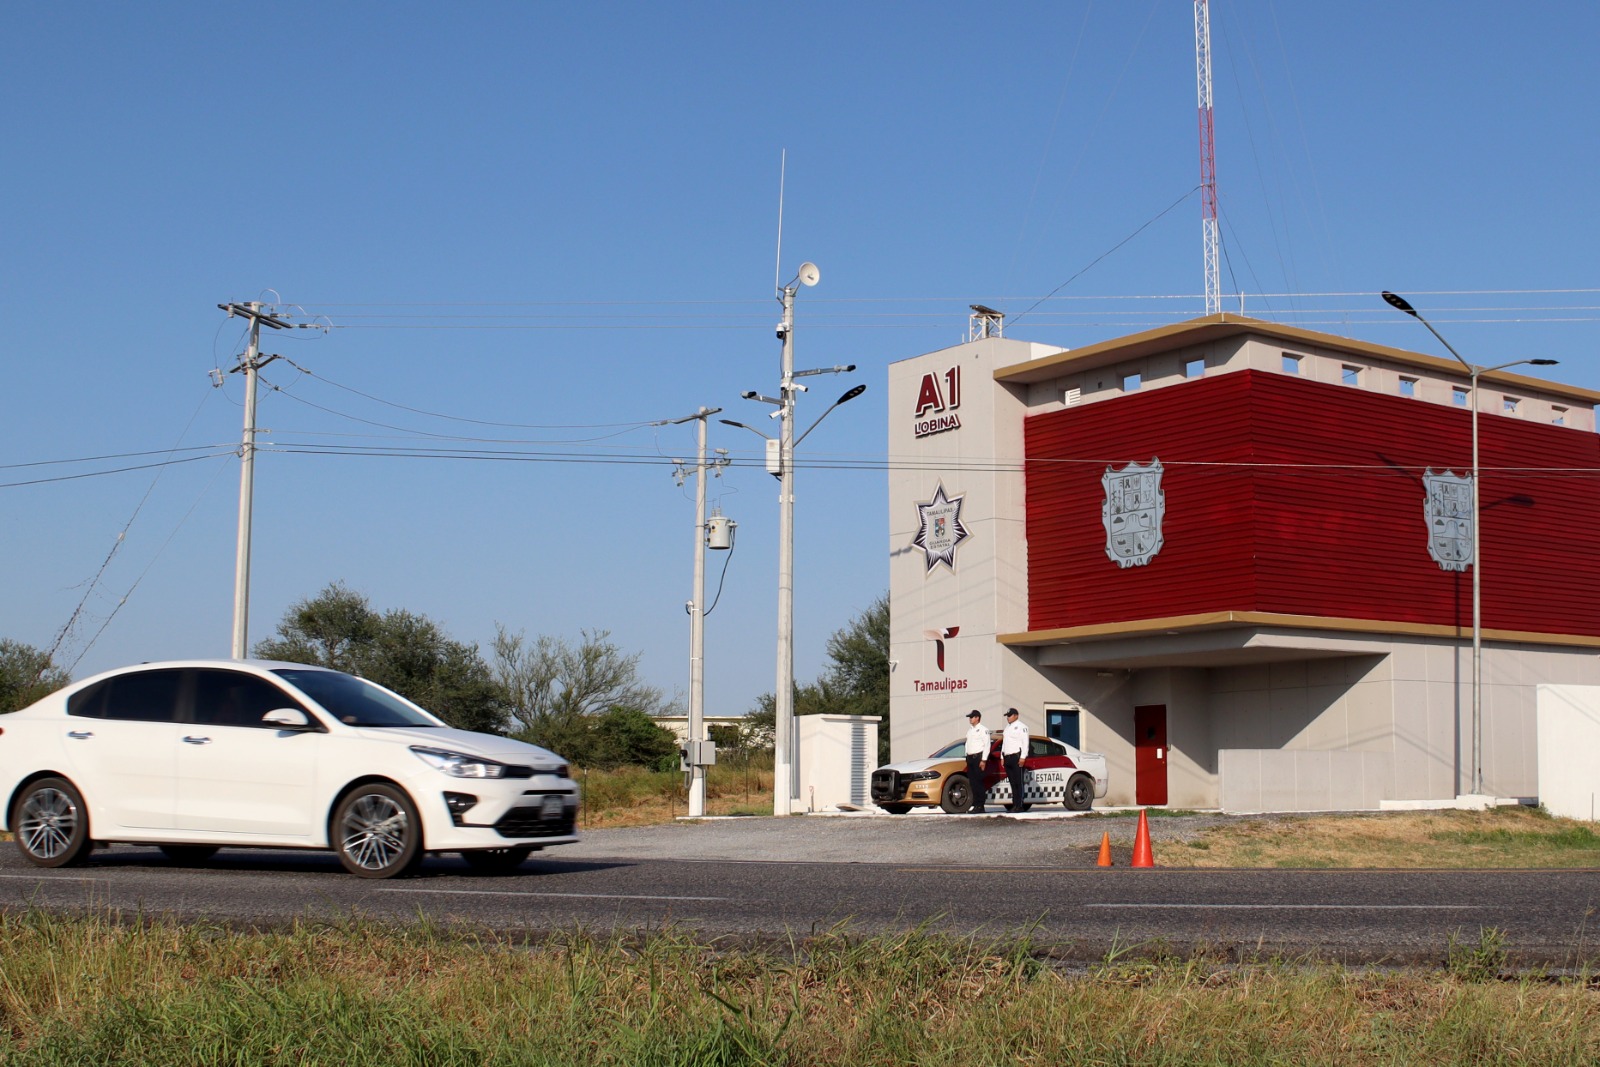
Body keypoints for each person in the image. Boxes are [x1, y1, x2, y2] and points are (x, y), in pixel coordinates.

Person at [1001, 707, 1029, 812]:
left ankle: (1020, 805)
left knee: (1018, 782)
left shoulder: (1022, 727)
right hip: (1007, 757)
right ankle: (1015, 804)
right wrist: (1002, 756)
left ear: (1016, 716)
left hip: (1016, 757)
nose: (1008, 718)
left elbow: (1025, 743)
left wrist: (1023, 757)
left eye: (1010, 715)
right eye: (1007, 716)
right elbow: (1004, 743)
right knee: (1012, 782)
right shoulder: (1007, 728)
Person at [962, 710, 989, 813]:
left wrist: (984, 760)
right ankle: (976, 804)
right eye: (970, 717)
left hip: (978, 758)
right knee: (973, 783)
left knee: (978, 782)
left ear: (977, 718)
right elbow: (967, 744)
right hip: (970, 758)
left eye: (972, 717)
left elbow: (987, 745)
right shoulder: (970, 731)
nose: (970, 719)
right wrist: (966, 756)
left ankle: (980, 805)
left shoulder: (983, 730)